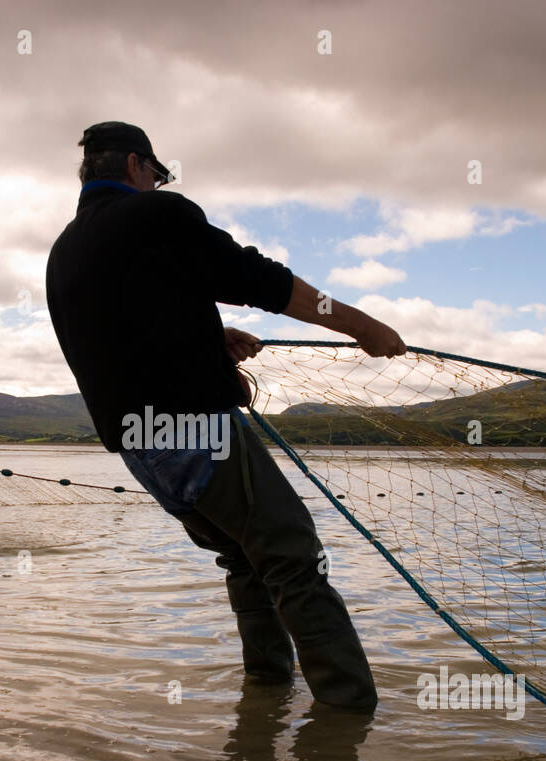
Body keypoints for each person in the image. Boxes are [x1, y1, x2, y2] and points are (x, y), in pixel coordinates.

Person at [45, 121, 407, 711]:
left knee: (244, 555)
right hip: (197, 431)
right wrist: (362, 326)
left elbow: (126, 329)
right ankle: (348, 717)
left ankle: (266, 693)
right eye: (157, 175)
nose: (160, 185)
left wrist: (210, 340)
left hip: (142, 448)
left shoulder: (66, 249)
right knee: (292, 556)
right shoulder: (156, 216)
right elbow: (261, 279)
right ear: (137, 167)